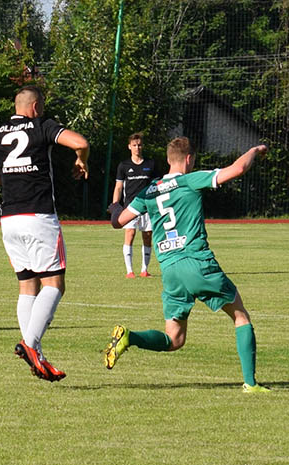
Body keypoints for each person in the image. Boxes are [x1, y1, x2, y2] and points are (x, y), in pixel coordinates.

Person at [105, 137, 270, 393]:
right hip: (197, 263)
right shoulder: (190, 180)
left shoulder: (149, 190)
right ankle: (250, 383)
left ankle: (129, 336)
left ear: (169, 159)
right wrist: (254, 150)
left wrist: (115, 207)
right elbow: (237, 169)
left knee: (174, 339)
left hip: (170, 270)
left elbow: (119, 221)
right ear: (189, 159)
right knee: (240, 316)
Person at [0, 84, 90, 382]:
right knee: (54, 284)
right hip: (39, 216)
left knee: (27, 285)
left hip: (9, 219)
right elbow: (80, 141)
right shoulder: (40, 125)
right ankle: (30, 344)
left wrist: (7, 180)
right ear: (35, 107)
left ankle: (36, 353)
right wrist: (81, 160)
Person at [112, 132, 160, 278]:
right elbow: (119, 187)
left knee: (147, 236)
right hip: (130, 207)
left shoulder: (150, 164)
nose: (137, 148)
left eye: (139, 145)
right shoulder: (124, 165)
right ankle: (129, 271)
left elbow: (157, 186)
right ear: (129, 147)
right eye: (134, 145)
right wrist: (115, 205)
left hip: (147, 206)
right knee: (130, 233)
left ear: (142, 146)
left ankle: (144, 270)